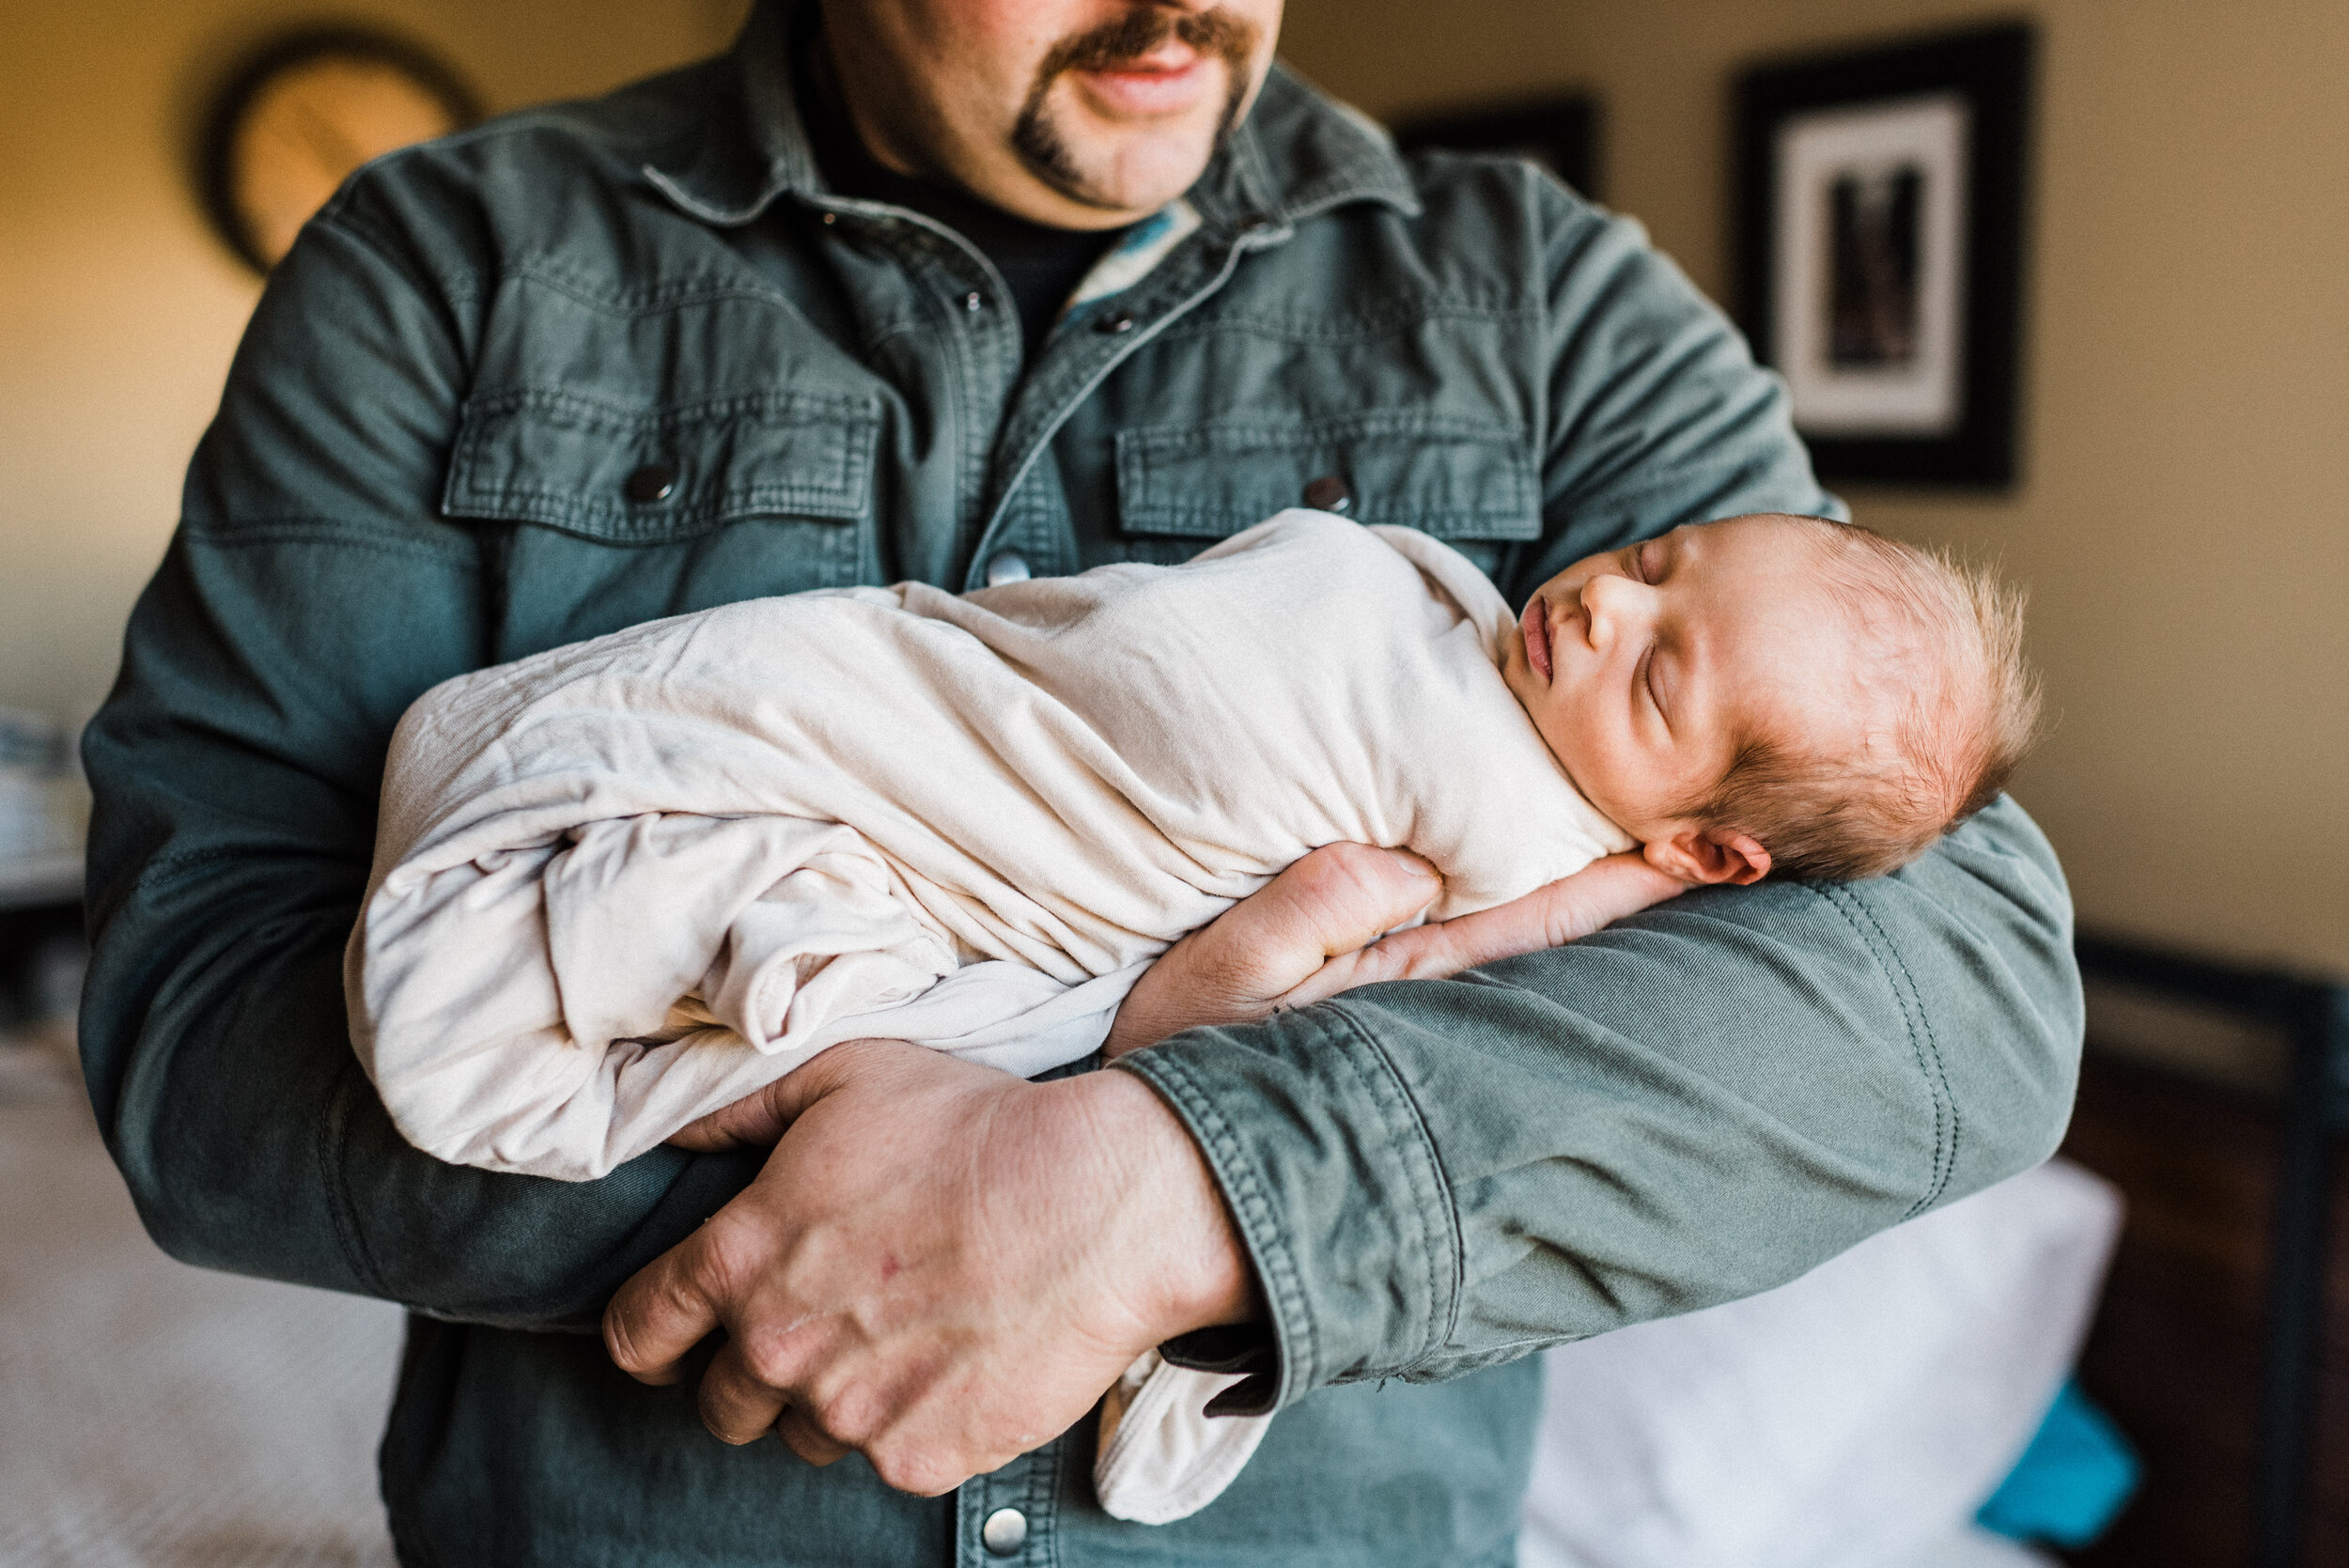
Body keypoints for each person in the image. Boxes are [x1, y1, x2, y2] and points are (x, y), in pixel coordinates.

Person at [78, 1, 2083, 1563]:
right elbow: (199, 1041)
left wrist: (1165, 1182)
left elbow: (1963, 983)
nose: (1173, 13)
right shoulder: (453, 267)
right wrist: (903, 1187)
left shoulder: (1541, 306)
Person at [349, 506, 2039, 1524]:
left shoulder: (1534, 826)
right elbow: (1128, 666)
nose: (1604, 605)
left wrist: (1156, 1156)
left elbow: (1998, 1008)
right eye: (1655, 559)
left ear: (1708, 847)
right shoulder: (1456, 644)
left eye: (1660, 672)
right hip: (946, 735)